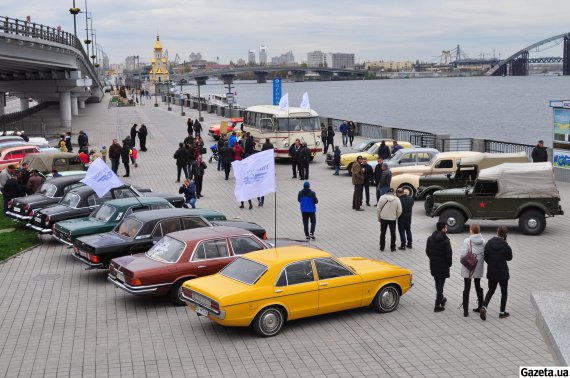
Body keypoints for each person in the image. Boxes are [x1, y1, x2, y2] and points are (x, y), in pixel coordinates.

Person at [480, 226, 512, 321]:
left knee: (491, 290)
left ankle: (484, 307)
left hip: (492, 272)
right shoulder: (505, 245)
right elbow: (509, 258)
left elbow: (485, 256)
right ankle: (502, 312)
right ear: (505, 234)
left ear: (497, 232)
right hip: (503, 273)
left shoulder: (489, 243)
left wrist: (491, 262)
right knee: (504, 292)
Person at [426, 222, 453, 312]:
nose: (447, 229)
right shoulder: (446, 241)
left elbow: (427, 251)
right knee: (440, 283)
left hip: (433, 265)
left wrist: (433, 259)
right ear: (443, 229)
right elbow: (449, 255)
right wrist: (449, 264)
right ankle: (437, 304)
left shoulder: (430, 238)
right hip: (443, 266)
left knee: (437, 282)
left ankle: (441, 298)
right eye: (446, 227)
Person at [460, 224, 486, 317]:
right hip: (478, 266)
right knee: (478, 286)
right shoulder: (483, 241)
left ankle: (465, 311)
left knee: (466, 288)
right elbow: (484, 255)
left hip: (469, 267)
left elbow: (463, 254)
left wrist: (461, 259)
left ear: (471, 230)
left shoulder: (467, 240)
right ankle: (480, 306)